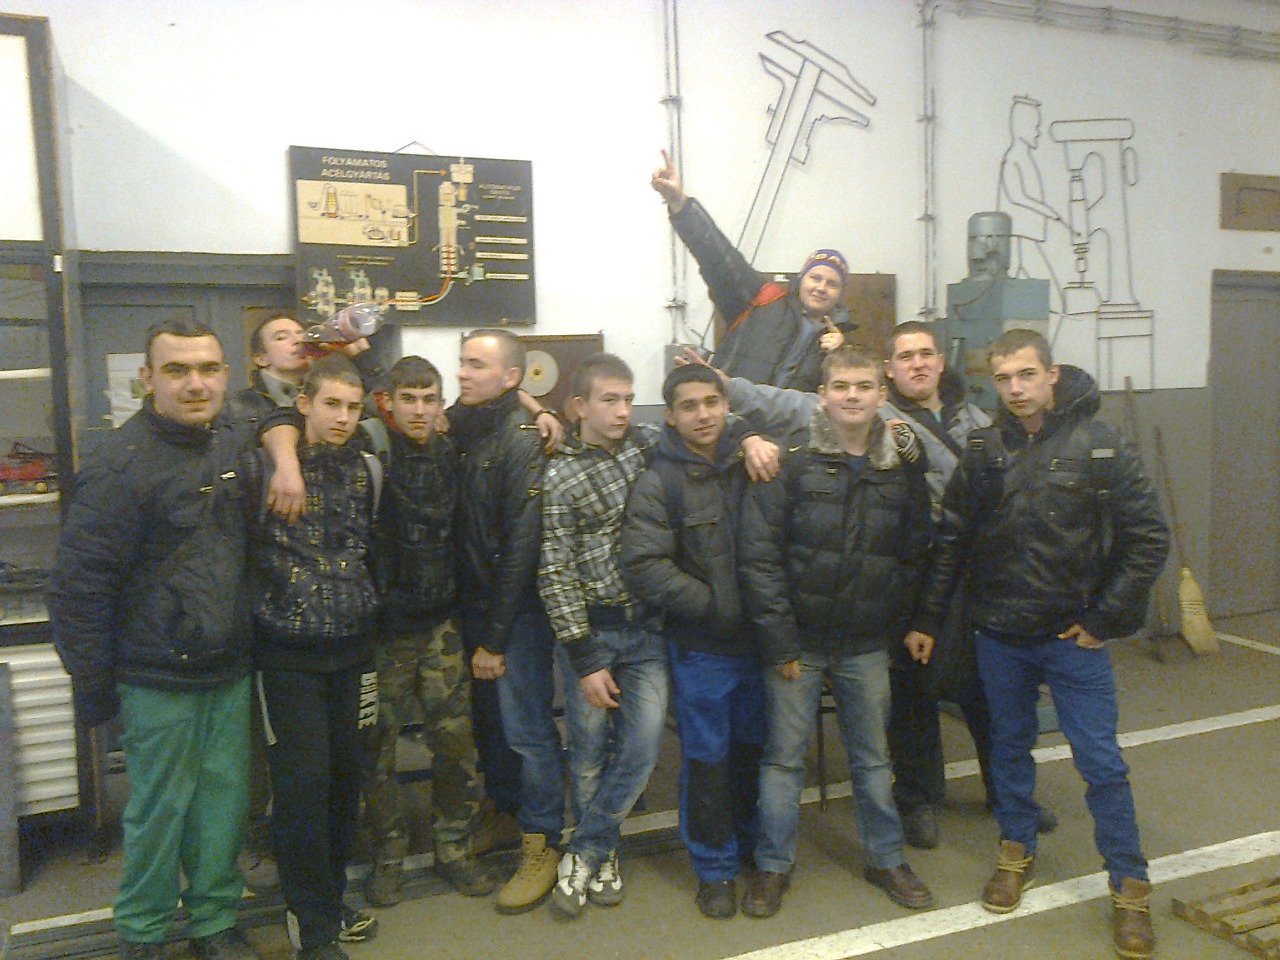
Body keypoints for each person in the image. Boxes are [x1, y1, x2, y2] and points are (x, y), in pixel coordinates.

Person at [905, 329, 1169, 960]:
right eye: (1003, 378)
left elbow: (1148, 537)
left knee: (1101, 762)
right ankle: (1016, 850)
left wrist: (1104, 618)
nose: (1015, 389)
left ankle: (1129, 886)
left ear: (1052, 374)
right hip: (999, 633)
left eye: (1026, 374)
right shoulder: (984, 449)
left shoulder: (1101, 444)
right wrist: (929, 618)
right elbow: (953, 540)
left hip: (1073, 638)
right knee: (1008, 749)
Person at [49, 318, 262, 960]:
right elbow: (78, 585)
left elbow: (286, 413)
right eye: (177, 370)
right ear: (148, 378)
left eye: (208, 368)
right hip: (154, 675)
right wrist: (92, 684)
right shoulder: (119, 464)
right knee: (159, 812)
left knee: (222, 807)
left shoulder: (235, 440)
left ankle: (212, 923)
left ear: (226, 375)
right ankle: (142, 934)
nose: (196, 383)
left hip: (228, 666)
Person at [738, 347, 935, 918]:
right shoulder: (792, 463)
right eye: (841, 386)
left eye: (864, 386)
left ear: (881, 395)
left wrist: (902, 626)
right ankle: (773, 866)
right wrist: (779, 641)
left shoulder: (900, 469)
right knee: (783, 760)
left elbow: (916, 552)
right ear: (822, 395)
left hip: (866, 645)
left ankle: (886, 858)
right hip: (796, 646)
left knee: (872, 761)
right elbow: (759, 559)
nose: (852, 396)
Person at [879, 321, 1056, 850]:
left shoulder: (979, 418)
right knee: (912, 692)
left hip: (978, 572)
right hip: (912, 573)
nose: (918, 363)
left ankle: (1006, 795)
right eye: (906, 356)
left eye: (926, 354)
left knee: (988, 690)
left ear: (940, 362)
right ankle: (917, 798)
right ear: (889, 369)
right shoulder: (878, 422)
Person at [241, 355, 381, 960]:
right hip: (287, 656)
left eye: (352, 406)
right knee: (303, 789)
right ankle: (312, 927)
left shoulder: (369, 468)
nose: (343, 417)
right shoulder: (263, 466)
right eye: (330, 404)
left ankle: (328, 898)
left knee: (347, 785)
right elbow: (257, 421)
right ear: (303, 404)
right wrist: (285, 454)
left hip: (355, 652)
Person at [618, 364, 768, 920]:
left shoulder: (755, 462)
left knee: (754, 752)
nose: (703, 415)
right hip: (702, 648)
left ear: (727, 404)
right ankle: (714, 868)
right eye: (688, 406)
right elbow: (644, 565)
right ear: (670, 415)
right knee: (708, 760)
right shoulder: (659, 481)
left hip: (760, 644)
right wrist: (714, 607)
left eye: (711, 402)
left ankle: (751, 846)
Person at [537, 353, 670, 920]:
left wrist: (753, 439)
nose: (622, 411)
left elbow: (707, 425)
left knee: (643, 746)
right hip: (592, 634)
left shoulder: (647, 447)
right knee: (588, 753)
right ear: (579, 406)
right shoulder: (560, 475)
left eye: (628, 399)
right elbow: (555, 570)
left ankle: (585, 849)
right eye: (609, 400)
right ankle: (605, 852)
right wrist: (585, 658)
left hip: (648, 632)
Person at [360, 356, 493, 907]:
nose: (419, 410)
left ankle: (453, 848)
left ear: (441, 403)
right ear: (388, 402)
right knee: (376, 754)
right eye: (408, 399)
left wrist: (542, 411)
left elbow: (503, 404)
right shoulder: (367, 451)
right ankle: (387, 856)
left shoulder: (451, 449)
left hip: (440, 625)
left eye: (429, 399)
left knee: (456, 746)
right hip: (383, 634)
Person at [450, 328, 562, 915]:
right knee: (490, 725)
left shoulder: (521, 440)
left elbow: (523, 544)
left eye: (476, 364)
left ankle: (543, 841)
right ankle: (505, 812)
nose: (462, 373)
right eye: (462, 362)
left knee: (527, 731)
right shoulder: (465, 426)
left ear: (510, 377)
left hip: (514, 615)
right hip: (472, 607)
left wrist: (496, 637)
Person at [650, 150, 852, 392]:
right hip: (728, 410)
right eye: (815, 278)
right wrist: (680, 204)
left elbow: (843, 397)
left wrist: (839, 356)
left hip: (789, 419)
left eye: (832, 283)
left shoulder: (841, 342)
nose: (821, 287)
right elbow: (716, 255)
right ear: (801, 279)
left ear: (841, 293)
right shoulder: (763, 298)